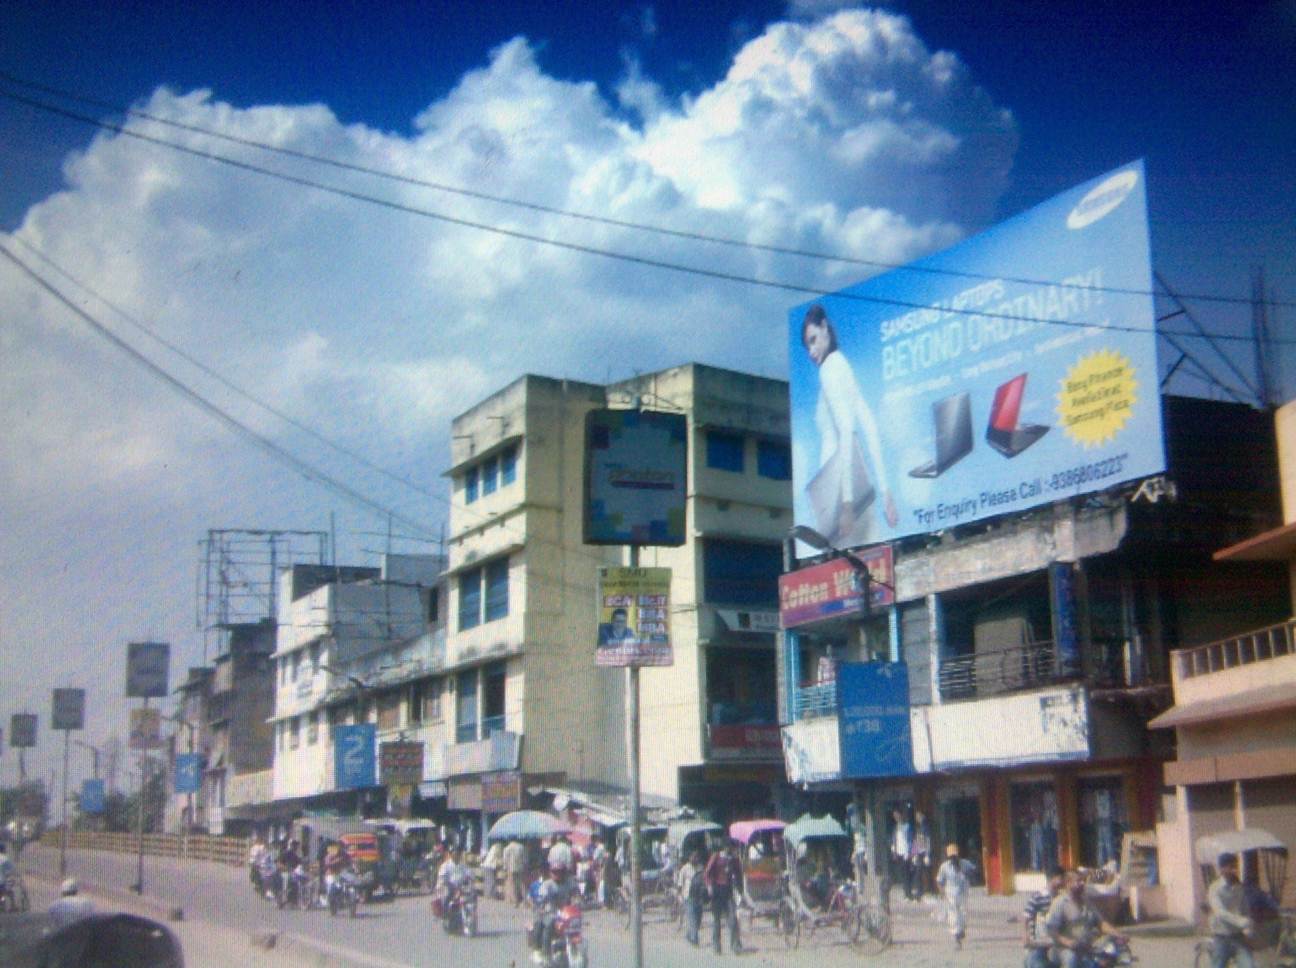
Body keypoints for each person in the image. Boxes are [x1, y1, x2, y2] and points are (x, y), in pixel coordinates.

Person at [801, 304, 898, 547]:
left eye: (813, 340)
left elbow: (847, 431)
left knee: (848, 577)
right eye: (807, 346)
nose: (812, 351)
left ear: (825, 327)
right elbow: (869, 426)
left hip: (841, 498)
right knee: (873, 572)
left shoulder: (829, 369)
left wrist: (845, 505)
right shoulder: (842, 364)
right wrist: (885, 491)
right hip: (857, 495)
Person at [1045, 870, 1126, 968]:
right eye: (1078, 881)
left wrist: (1118, 934)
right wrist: (1068, 942)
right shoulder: (1059, 903)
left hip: (1085, 947)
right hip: (1061, 949)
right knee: (1071, 958)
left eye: (1083, 881)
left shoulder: (1086, 902)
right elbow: (1052, 931)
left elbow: (1101, 923)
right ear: (1068, 883)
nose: (1082, 883)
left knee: (1108, 956)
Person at [1206, 853, 1254, 968]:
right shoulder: (1215, 888)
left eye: (1235, 866)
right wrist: (1241, 921)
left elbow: (1245, 907)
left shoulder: (1239, 887)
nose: (1234, 870)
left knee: (1249, 965)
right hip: (1222, 937)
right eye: (1230, 867)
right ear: (1222, 869)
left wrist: (1248, 924)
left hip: (1238, 937)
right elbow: (1220, 912)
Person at [530, 864, 576, 964]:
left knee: (577, 925)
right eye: (555, 872)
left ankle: (577, 953)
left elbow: (576, 893)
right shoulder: (548, 884)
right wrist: (542, 899)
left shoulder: (569, 883)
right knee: (549, 923)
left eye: (560, 871)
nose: (557, 874)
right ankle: (544, 952)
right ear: (550, 873)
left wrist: (578, 900)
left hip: (566, 913)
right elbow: (542, 896)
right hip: (551, 912)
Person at [703, 840, 744, 954]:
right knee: (717, 920)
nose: (728, 849)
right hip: (717, 891)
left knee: (733, 919)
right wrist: (709, 886)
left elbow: (739, 874)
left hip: (728, 891)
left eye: (730, 847)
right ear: (723, 847)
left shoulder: (734, 859)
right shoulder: (716, 857)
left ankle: (735, 945)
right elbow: (707, 873)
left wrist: (740, 890)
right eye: (727, 847)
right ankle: (716, 945)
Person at [1023, 866, 1065, 968]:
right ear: (1052, 878)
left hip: (1055, 942)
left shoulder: (1062, 898)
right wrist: (1026, 935)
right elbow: (1027, 917)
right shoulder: (1038, 896)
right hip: (1039, 942)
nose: (1063, 881)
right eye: (1061, 878)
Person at [936, 843, 972, 949]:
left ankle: (961, 929)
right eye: (951, 857)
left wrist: (968, 874)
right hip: (950, 894)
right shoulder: (944, 867)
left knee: (963, 913)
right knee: (953, 915)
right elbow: (939, 881)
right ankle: (956, 936)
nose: (953, 858)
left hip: (963, 893)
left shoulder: (965, 864)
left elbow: (974, 870)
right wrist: (942, 892)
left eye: (955, 856)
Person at [676, 849, 706, 947]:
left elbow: (704, 881)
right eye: (693, 856)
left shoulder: (700, 868)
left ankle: (689, 935)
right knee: (692, 918)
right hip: (688, 897)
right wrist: (679, 897)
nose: (695, 858)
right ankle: (695, 939)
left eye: (696, 857)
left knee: (698, 919)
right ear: (689, 858)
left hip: (699, 897)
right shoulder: (685, 869)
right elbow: (680, 884)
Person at [908, 810, 932, 900]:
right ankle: (920, 891)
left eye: (919, 816)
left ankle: (924, 891)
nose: (917, 818)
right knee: (919, 872)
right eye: (916, 817)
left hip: (923, 852)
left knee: (922, 872)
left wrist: (927, 854)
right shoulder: (919, 828)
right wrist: (914, 853)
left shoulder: (925, 827)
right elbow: (917, 841)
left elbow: (927, 841)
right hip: (919, 853)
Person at [890, 809, 913, 897]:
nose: (896, 818)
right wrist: (893, 852)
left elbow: (910, 840)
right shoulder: (896, 828)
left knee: (907, 873)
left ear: (901, 816)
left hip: (906, 852)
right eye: (895, 816)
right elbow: (893, 840)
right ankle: (906, 891)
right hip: (898, 852)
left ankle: (908, 893)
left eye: (897, 816)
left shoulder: (907, 826)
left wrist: (909, 852)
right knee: (902, 873)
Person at [503, 838, 528, 906]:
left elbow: (505, 860)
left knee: (512, 885)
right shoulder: (521, 847)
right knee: (522, 884)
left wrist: (505, 868)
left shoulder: (507, 848)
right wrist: (525, 866)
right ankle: (525, 900)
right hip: (520, 868)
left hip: (511, 868)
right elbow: (525, 858)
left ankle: (515, 902)